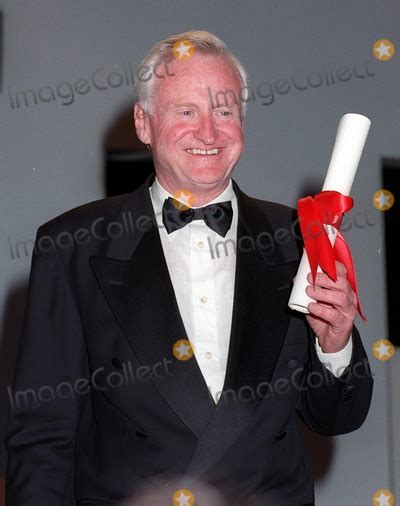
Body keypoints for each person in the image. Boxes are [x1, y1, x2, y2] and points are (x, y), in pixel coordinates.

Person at [5, 30, 373, 506]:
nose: (209, 133)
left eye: (224, 111)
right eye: (186, 111)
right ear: (144, 122)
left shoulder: (300, 238)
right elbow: (41, 438)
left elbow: (337, 419)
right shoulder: (70, 246)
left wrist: (335, 345)